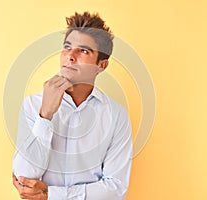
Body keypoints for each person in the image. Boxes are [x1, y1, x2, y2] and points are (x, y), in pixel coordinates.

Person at [12, 12, 133, 200]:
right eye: (67, 47)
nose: (70, 56)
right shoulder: (33, 105)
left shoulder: (116, 115)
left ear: (101, 65)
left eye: (83, 51)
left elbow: (116, 189)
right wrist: (45, 116)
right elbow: (24, 178)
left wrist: (51, 195)